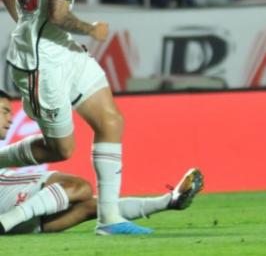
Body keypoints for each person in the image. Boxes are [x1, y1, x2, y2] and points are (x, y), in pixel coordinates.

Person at [0, 0, 152, 235]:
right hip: (41, 64)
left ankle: (110, 218)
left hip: (57, 50)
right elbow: (57, 14)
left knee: (111, 120)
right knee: (61, 149)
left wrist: (31, 32)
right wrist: (90, 29)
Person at [0, 92, 204, 234]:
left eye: (10, 112)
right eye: (4, 111)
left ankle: (169, 202)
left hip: (23, 219)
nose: (10, 119)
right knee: (79, 187)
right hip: (8, 204)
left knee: (90, 207)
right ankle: (6, 220)